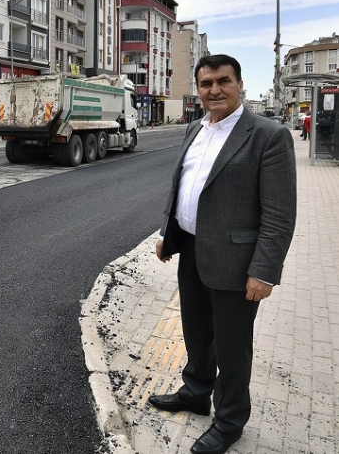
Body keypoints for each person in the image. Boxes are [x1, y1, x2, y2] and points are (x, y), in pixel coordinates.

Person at [151, 54, 296, 454]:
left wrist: (264, 272)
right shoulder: (195, 129)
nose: (214, 89)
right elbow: (182, 185)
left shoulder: (267, 135)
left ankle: (230, 421)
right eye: (206, 83)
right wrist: (170, 234)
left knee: (232, 346)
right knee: (197, 333)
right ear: (198, 89)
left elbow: (280, 214)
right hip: (192, 249)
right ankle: (196, 393)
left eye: (223, 81)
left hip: (237, 261)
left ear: (240, 84)